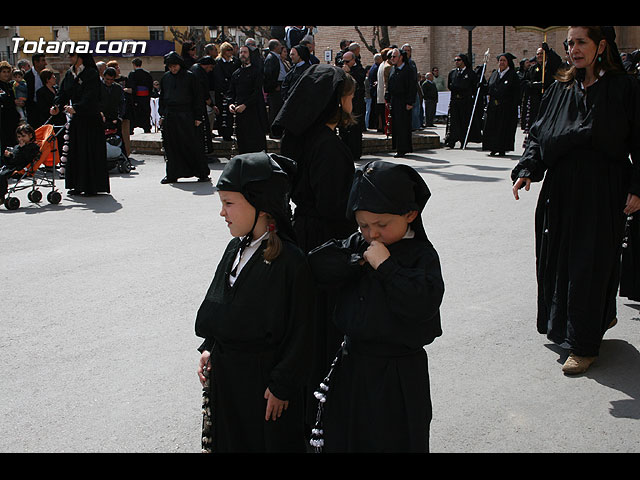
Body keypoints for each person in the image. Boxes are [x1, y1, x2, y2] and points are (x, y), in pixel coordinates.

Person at [511, 26, 640, 375]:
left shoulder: (623, 88)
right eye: (569, 43)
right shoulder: (560, 87)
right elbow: (538, 133)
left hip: (602, 190)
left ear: (601, 45)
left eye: (581, 42)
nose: (573, 49)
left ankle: (584, 344)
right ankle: (584, 320)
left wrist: (638, 188)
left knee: (588, 264)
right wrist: (528, 167)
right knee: (558, 262)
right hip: (561, 190)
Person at [307, 160, 444, 452]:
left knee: (393, 440)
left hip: (398, 374)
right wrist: (358, 260)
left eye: (382, 224)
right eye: (364, 225)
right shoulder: (361, 244)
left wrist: (387, 266)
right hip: (353, 366)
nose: (373, 234)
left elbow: (422, 304)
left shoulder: (422, 255)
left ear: (410, 214)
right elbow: (317, 264)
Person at [195, 151, 315, 453]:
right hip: (228, 378)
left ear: (262, 206)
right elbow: (221, 304)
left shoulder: (290, 261)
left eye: (229, 203)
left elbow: (302, 331)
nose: (223, 213)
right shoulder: (235, 248)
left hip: (265, 387)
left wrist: (282, 385)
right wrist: (210, 347)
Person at [271, 63, 359, 433]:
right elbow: (334, 208)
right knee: (323, 322)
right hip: (324, 239)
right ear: (336, 101)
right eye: (351, 96)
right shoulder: (327, 146)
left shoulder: (308, 139)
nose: (355, 102)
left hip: (304, 234)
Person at [50, 52, 110, 196]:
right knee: (76, 151)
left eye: (72, 55)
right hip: (77, 119)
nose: (70, 58)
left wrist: (77, 108)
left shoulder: (91, 73)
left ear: (80, 57)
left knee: (89, 151)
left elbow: (91, 95)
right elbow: (63, 92)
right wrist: (57, 105)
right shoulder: (70, 74)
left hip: (90, 118)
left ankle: (91, 186)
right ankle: (77, 184)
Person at [158, 51, 209, 184]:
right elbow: (162, 97)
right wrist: (162, 114)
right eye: (170, 66)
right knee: (172, 147)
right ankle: (172, 174)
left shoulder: (190, 77)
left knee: (192, 145)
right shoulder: (166, 78)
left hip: (187, 115)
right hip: (171, 115)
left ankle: (201, 173)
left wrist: (198, 116)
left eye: (174, 66)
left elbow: (198, 97)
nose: (173, 69)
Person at [227, 45, 268, 154]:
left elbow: (256, 92)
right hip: (240, 112)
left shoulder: (256, 71)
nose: (242, 55)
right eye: (241, 52)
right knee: (242, 140)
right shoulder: (236, 73)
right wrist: (230, 104)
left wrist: (245, 105)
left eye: (245, 52)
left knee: (255, 139)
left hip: (253, 110)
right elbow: (231, 92)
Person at [482, 53, 520, 157]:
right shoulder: (495, 74)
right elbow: (489, 88)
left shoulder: (513, 75)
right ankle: (493, 148)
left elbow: (516, 93)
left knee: (503, 129)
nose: (501, 63)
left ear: (508, 63)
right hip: (494, 107)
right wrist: (482, 86)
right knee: (492, 127)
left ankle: (502, 148)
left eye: (504, 61)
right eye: (500, 61)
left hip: (506, 107)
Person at [387, 48, 417, 158]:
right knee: (396, 124)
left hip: (404, 101)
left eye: (394, 57)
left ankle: (403, 148)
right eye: (391, 57)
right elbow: (389, 84)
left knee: (403, 125)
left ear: (401, 57)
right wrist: (388, 98)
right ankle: (397, 146)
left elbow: (412, 87)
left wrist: (410, 102)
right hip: (395, 100)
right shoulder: (393, 69)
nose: (392, 59)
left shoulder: (408, 70)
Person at [1, 123, 40, 205]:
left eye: (23, 136)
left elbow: (23, 159)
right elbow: (12, 159)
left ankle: (1, 195)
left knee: (1, 176)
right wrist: (7, 156)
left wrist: (19, 150)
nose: (21, 139)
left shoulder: (33, 147)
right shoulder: (17, 146)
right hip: (11, 166)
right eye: (19, 137)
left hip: (20, 167)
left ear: (30, 136)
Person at [339, 46, 366, 161]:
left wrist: (350, 73)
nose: (345, 63)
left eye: (347, 61)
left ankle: (355, 152)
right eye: (343, 61)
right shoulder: (341, 70)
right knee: (344, 129)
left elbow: (359, 83)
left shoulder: (359, 70)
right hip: (344, 104)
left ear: (353, 61)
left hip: (356, 104)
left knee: (355, 129)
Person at [444, 53, 477, 149]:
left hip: (465, 100)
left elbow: (472, 86)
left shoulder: (470, 73)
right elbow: (450, 85)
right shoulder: (452, 73)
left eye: (458, 60)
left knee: (464, 121)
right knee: (453, 121)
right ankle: (451, 140)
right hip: (455, 99)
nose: (456, 62)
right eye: (455, 60)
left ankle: (463, 140)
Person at [213, 42, 239, 141]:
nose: (230, 52)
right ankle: (223, 132)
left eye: (231, 50)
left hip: (231, 91)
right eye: (228, 50)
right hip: (222, 91)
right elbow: (218, 78)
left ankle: (229, 132)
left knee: (230, 114)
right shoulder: (218, 62)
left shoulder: (234, 62)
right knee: (221, 113)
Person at [190, 56, 216, 156]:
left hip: (193, 104)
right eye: (210, 68)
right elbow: (203, 92)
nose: (210, 70)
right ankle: (206, 152)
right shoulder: (200, 74)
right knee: (204, 129)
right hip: (199, 105)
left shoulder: (193, 69)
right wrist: (212, 105)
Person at [107, 60, 133, 157]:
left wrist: (124, 90)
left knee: (125, 133)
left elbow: (131, 90)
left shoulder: (124, 79)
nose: (119, 69)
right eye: (116, 67)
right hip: (112, 113)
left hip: (124, 111)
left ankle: (126, 153)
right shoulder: (108, 82)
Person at [263, 39, 287, 138]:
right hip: (275, 88)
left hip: (280, 86)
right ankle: (274, 133)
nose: (281, 47)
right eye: (279, 45)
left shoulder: (276, 58)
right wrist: (274, 86)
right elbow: (268, 75)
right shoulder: (271, 58)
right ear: (275, 46)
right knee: (274, 111)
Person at [128, 58, 154, 133]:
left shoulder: (132, 74)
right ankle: (146, 127)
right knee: (145, 112)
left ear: (133, 64)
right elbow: (150, 86)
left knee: (135, 112)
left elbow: (131, 85)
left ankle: (132, 128)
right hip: (145, 96)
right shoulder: (147, 73)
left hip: (136, 96)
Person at [0, 61, 21, 152]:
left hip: (12, 118)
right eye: (4, 72)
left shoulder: (10, 85)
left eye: (8, 72)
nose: (6, 74)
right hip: (3, 119)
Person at [24, 53, 47, 128]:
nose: (45, 63)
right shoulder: (27, 76)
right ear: (36, 62)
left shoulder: (45, 75)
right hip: (32, 110)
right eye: (43, 61)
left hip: (44, 109)